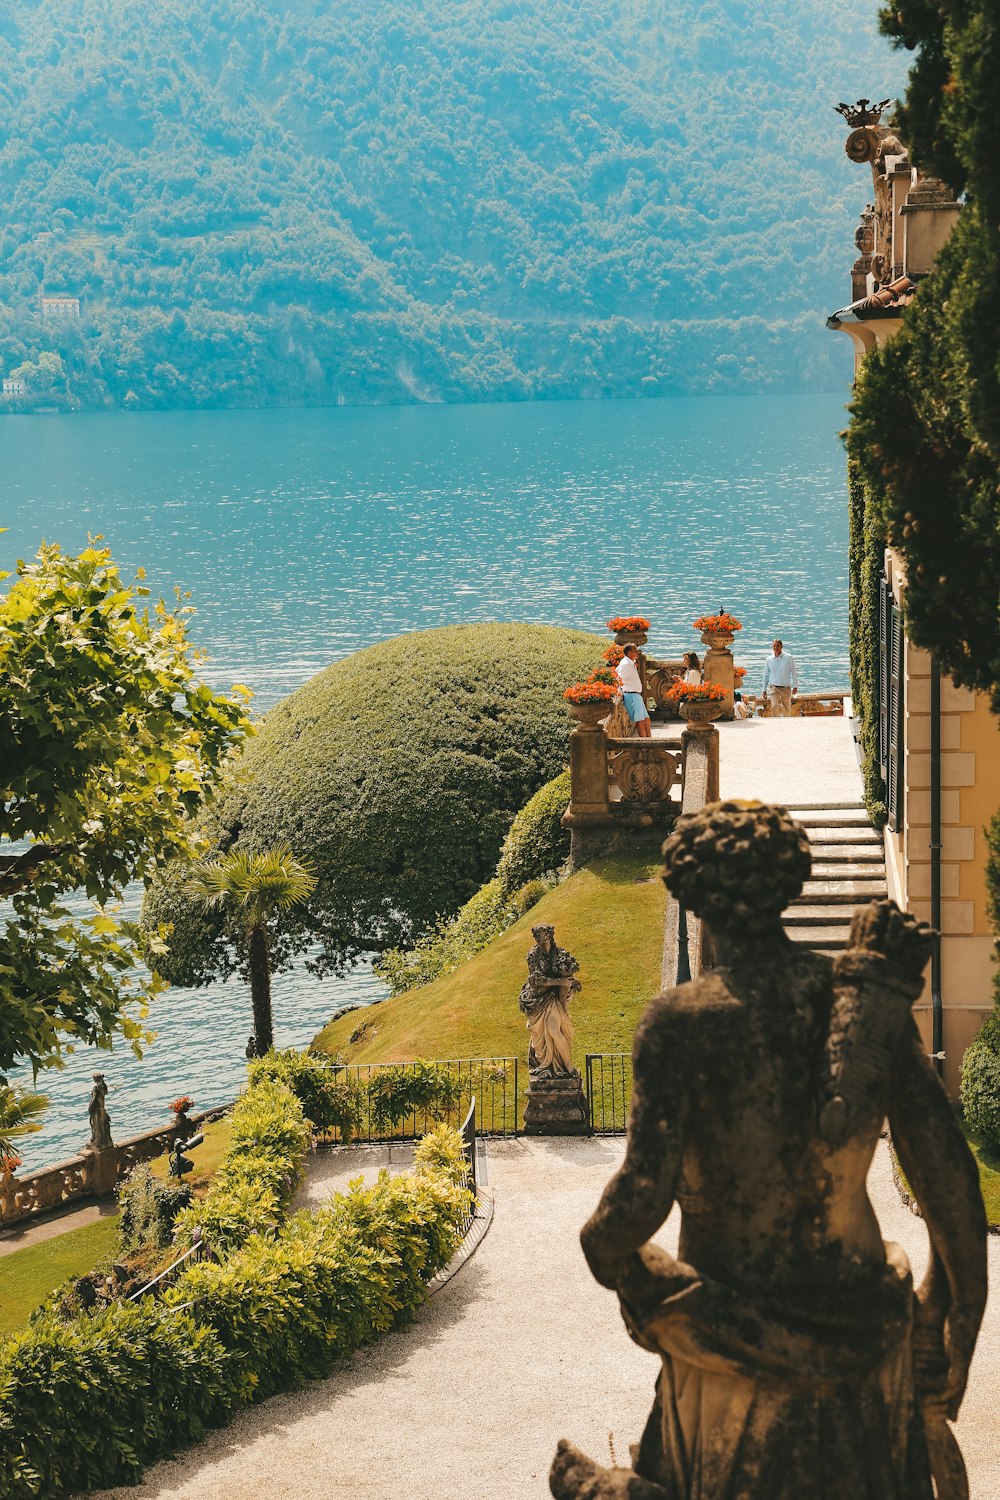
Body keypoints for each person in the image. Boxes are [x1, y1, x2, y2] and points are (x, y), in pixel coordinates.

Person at [550, 802, 987, 1500]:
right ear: (790, 884)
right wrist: (951, 1309)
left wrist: (601, 1245)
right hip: (864, 1327)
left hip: (728, 1347)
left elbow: (639, 1200)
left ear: (690, 896)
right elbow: (951, 1180)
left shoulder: (682, 1023)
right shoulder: (860, 1002)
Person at [518, 924, 581, 1076]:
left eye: (541, 935)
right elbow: (537, 980)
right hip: (536, 999)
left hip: (552, 999)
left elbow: (567, 974)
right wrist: (560, 982)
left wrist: (572, 982)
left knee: (554, 1029)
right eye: (536, 936)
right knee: (539, 1036)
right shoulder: (533, 955)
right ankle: (545, 1064)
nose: (538, 939)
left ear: (549, 936)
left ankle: (568, 1066)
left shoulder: (559, 954)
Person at [615, 643, 651, 738]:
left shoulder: (630, 662)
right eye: (636, 651)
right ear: (630, 653)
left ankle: (650, 741)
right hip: (631, 695)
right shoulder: (626, 664)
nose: (638, 652)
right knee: (641, 722)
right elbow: (618, 678)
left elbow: (616, 671)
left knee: (647, 720)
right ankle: (645, 744)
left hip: (636, 696)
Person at [761, 637, 798, 716]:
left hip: (786, 687)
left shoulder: (788, 657)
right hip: (774, 687)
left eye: (777, 646)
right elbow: (766, 675)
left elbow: (794, 672)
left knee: (786, 708)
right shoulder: (769, 660)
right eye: (774, 646)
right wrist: (764, 689)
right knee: (774, 706)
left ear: (781, 646)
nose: (776, 648)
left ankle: (787, 725)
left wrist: (795, 686)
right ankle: (776, 725)